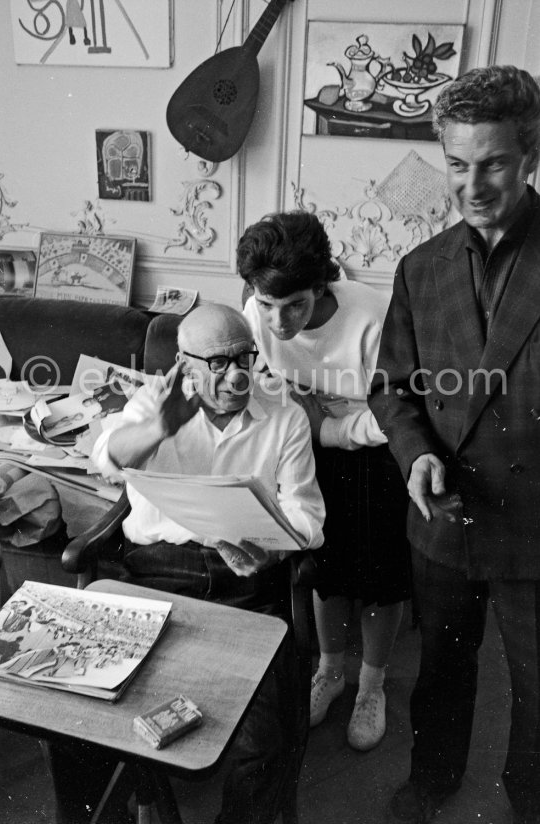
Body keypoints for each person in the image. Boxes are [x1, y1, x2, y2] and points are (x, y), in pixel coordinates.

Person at [46, 302, 325, 824]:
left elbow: (307, 518)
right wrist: (160, 428)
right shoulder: (152, 401)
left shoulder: (283, 415)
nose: (238, 374)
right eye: (219, 363)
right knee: (75, 721)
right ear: (183, 363)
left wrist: (271, 544)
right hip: (153, 578)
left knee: (263, 742)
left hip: (245, 587)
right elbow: (104, 458)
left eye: (246, 356)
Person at [368, 65, 540, 824]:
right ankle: (431, 781)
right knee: (440, 666)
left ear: (529, 157)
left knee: (538, 687)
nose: (474, 184)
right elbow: (392, 387)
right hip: (443, 515)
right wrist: (417, 455)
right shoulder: (421, 267)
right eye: (458, 164)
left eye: (494, 162)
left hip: (536, 523)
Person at [237, 211, 411, 751]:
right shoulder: (257, 311)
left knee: (382, 575)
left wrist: (328, 426)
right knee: (322, 570)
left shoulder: (371, 316)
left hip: (377, 452)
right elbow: (272, 386)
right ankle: (331, 673)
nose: (279, 322)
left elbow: (398, 410)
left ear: (322, 284)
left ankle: (372, 687)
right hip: (302, 446)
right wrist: (301, 416)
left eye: (294, 305)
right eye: (267, 305)